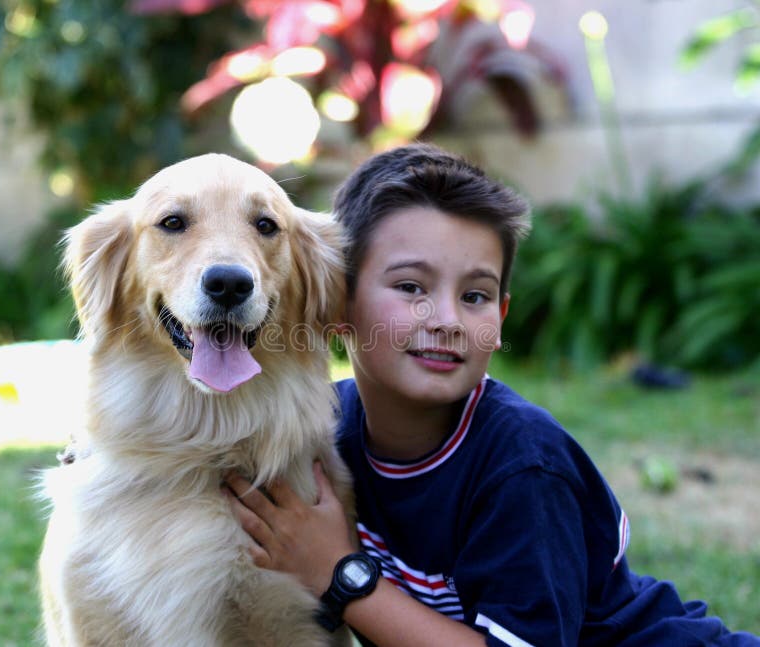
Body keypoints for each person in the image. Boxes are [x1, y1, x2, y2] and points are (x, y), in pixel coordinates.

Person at [224, 143, 758, 646]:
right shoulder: (323, 431)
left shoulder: (523, 466)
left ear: (499, 320)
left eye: (475, 295)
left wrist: (341, 576)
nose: (448, 320)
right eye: (411, 287)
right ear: (336, 303)